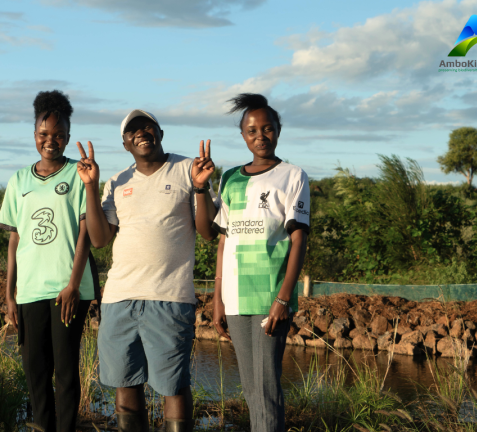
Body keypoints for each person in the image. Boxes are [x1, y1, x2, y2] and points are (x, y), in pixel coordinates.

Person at [75, 109, 218, 432]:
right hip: (119, 299)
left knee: (173, 386)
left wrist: (199, 187)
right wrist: (91, 187)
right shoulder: (117, 181)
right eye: (133, 131)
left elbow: (208, 232)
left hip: (170, 298)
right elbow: (99, 239)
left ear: (160, 133)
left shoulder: (187, 169)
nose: (141, 133)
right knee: (125, 383)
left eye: (148, 127)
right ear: (125, 144)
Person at [0, 90, 100, 432]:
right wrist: (9, 294)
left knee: (66, 370)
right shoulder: (19, 180)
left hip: (68, 290)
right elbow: (15, 240)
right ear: (34, 135)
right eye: (44, 134)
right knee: (35, 370)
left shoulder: (78, 174)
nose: (50, 141)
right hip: (29, 290)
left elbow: (85, 232)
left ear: (68, 137)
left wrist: (73, 284)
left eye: (58, 135)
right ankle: (43, 427)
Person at [212, 93, 309, 432]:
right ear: (243, 136)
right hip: (236, 298)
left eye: (267, 129)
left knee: (267, 388)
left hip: (270, 297)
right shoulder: (229, 178)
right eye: (252, 131)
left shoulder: (293, 175)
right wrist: (217, 299)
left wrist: (283, 299)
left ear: (278, 131)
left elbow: (299, 239)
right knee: (252, 390)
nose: (260, 136)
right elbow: (223, 241)